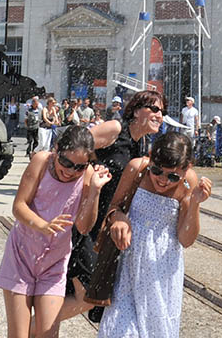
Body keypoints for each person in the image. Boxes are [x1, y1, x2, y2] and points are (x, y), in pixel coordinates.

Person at [0, 126, 112, 338]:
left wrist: (95, 190)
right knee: (18, 334)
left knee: (48, 333)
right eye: (66, 162)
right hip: (21, 257)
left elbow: (84, 227)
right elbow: (19, 206)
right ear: (56, 149)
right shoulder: (42, 161)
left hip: (54, 264)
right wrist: (43, 225)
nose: (70, 171)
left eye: (78, 167)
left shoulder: (86, 175)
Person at [63, 89, 166, 324]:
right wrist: (90, 171)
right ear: (135, 110)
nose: (160, 115)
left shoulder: (140, 146)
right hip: (83, 223)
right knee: (89, 295)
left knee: (82, 294)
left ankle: (38, 327)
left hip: (101, 229)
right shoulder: (116, 129)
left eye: (162, 111)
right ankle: (32, 327)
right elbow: (73, 147)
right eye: (154, 108)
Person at [97, 133, 212, 338]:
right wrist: (119, 218)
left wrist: (194, 203)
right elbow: (113, 207)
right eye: (157, 170)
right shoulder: (136, 168)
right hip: (129, 268)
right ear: (150, 157)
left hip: (162, 271)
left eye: (173, 176)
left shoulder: (189, 182)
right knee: (119, 331)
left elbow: (186, 239)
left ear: (187, 168)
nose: (163, 180)